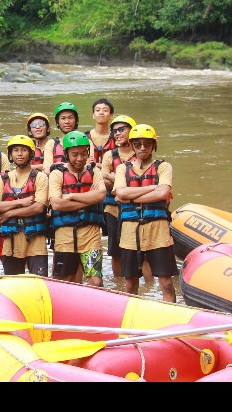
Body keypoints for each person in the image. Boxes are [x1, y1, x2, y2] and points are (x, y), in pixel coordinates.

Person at [114, 124, 176, 303]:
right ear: (132, 145)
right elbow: (121, 193)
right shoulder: (122, 169)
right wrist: (151, 188)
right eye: (138, 144)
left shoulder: (163, 167)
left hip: (158, 230)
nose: (142, 148)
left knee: (165, 282)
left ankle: (171, 318)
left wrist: (130, 198)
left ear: (153, 146)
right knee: (130, 283)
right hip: (130, 232)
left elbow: (163, 193)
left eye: (147, 144)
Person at [49, 131, 106, 286]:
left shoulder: (94, 171)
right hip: (64, 235)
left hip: (90, 234)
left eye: (83, 154)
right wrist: (89, 198)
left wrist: (71, 196)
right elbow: (57, 204)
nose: (80, 158)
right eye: (75, 154)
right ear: (67, 154)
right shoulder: (56, 174)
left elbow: (101, 194)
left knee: (96, 281)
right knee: (64, 281)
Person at [0, 136, 50, 277]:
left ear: (31, 154)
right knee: (12, 284)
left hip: (36, 239)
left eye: (24, 150)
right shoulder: (3, 178)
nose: (20, 154)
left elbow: (38, 208)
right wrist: (19, 203)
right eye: (16, 150)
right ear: (11, 154)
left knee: (39, 282)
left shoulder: (40, 177)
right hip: (12, 240)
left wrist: (10, 213)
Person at [100, 115, 136, 279]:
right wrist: (131, 182)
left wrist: (118, 180)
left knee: (141, 249)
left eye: (121, 130)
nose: (117, 133)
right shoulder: (109, 155)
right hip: (113, 209)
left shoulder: (140, 152)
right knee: (115, 250)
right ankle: (119, 283)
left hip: (136, 208)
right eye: (115, 131)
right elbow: (104, 176)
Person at [44, 103, 80, 168]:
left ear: (76, 121)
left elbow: (89, 166)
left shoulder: (87, 142)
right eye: (63, 118)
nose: (67, 121)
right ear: (57, 122)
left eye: (70, 118)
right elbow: (46, 169)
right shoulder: (51, 144)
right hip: (56, 177)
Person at [85, 99, 115, 165]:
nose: (101, 112)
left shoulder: (116, 138)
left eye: (105, 110)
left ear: (111, 116)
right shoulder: (84, 137)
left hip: (109, 174)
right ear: (93, 115)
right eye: (97, 110)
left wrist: (98, 165)